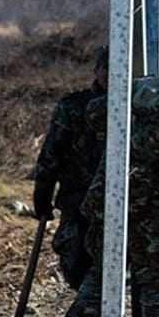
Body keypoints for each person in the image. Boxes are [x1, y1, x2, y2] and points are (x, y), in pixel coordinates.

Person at [66, 43, 159, 317]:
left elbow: (95, 112)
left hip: (109, 205)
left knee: (101, 283)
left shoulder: (141, 88)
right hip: (154, 217)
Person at [32, 46, 108, 290]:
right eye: (105, 69)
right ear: (96, 71)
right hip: (78, 199)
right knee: (75, 263)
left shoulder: (137, 106)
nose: (110, 75)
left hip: (121, 202)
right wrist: (43, 192)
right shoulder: (74, 107)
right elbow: (52, 152)